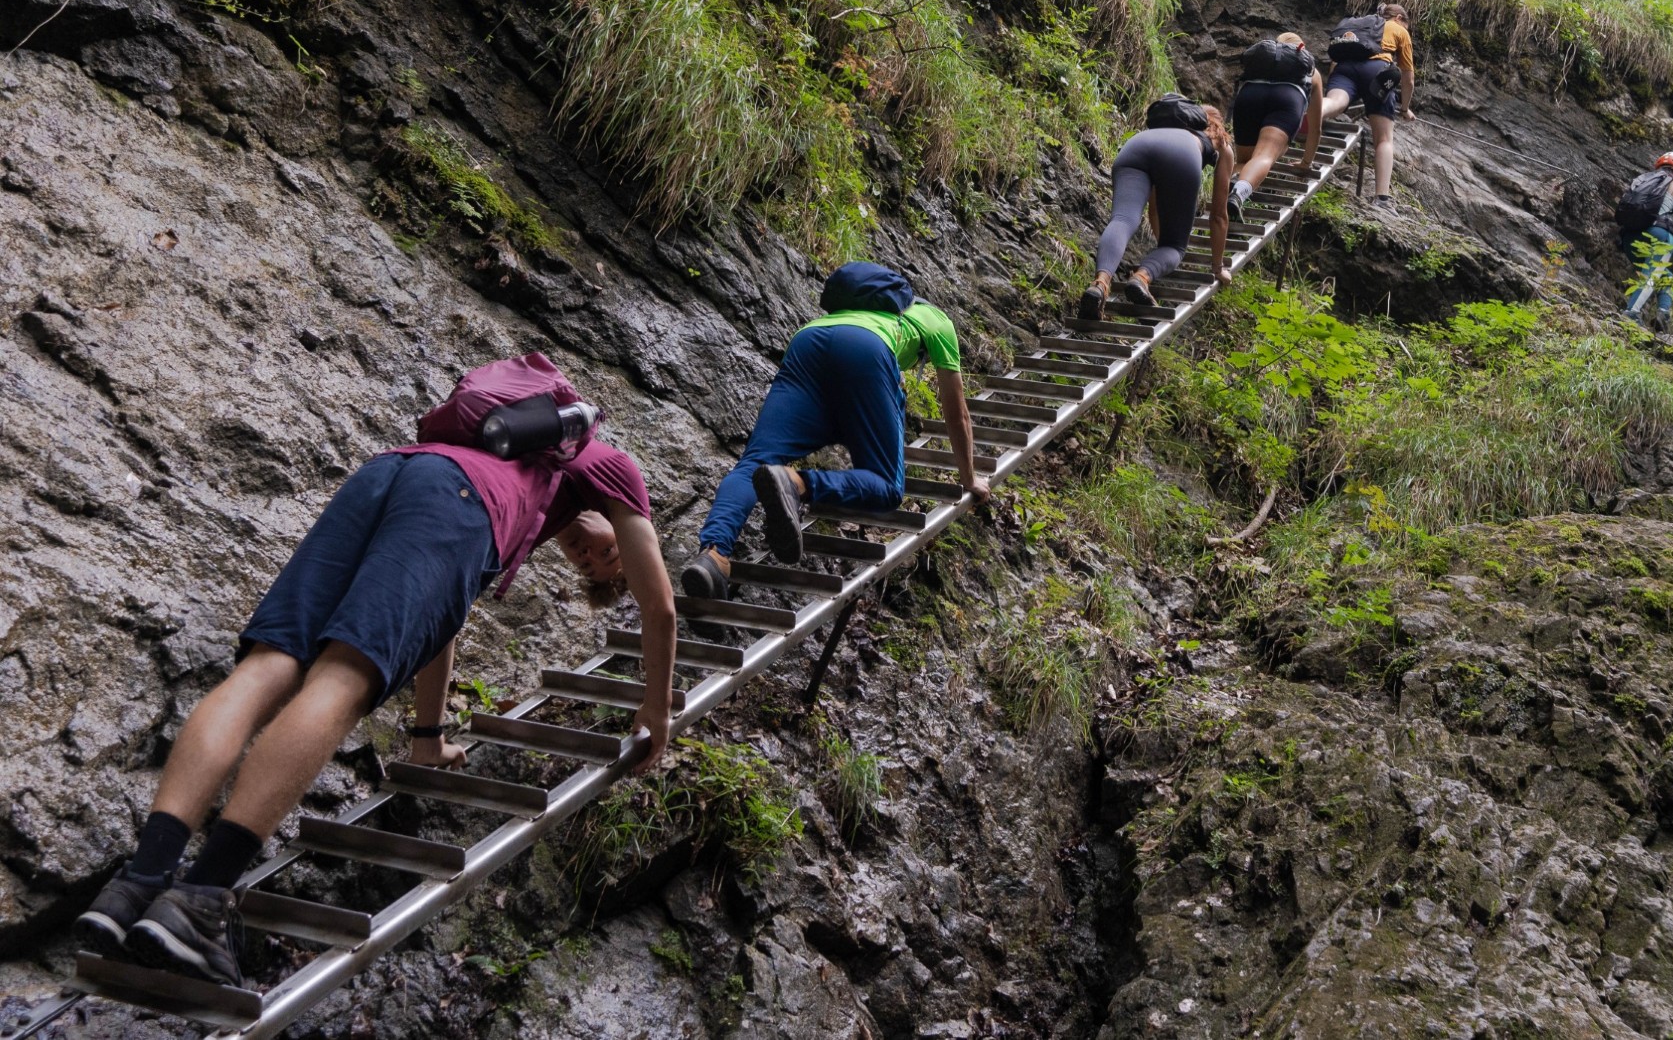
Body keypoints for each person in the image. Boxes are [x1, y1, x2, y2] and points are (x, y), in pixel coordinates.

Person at [74, 355, 677, 987]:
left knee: (269, 665)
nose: (593, 554)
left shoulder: (533, 474)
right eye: (609, 553)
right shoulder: (604, 464)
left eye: (595, 567)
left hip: (390, 472)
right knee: (342, 676)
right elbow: (659, 605)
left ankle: (138, 882)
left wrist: (426, 738)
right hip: (456, 503)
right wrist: (657, 709)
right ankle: (199, 899)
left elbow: (439, 625)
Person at [683, 263, 989, 599]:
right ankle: (796, 482)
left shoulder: (856, 311)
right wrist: (969, 478)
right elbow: (956, 412)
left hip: (807, 343)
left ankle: (713, 554)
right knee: (886, 486)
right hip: (866, 350)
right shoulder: (938, 322)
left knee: (755, 461)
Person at [1079, 94, 1235, 320]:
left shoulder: (1162, 128)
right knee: (1175, 247)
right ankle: (1141, 278)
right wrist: (1217, 266)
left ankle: (1100, 283)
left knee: (1122, 219)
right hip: (1182, 154)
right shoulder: (1220, 144)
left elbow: (1155, 205)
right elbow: (1219, 215)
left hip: (1136, 146)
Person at [1225, 33, 1324, 224]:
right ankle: (1237, 194)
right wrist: (1306, 162)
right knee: (1264, 156)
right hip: (1287, 98)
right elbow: (1315, 128)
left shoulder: (1262, 64)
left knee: (1245, 161)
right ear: (1300, 48)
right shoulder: (1312, 72)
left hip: (1249, 95)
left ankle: (1218, 195)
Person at [1321, 3, 1414, 204]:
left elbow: (1335, 62)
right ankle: (1382, 198)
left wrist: (1339, 83)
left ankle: (1310, 113)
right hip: (1377, 71)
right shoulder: (1398, 30)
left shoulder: (1357, 26)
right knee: (1384, 139)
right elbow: (1408, 78)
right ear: (1398, 18)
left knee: (1334, 102)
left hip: (1344, 69)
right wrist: (1405, 108)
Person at [1623, 152, 1673, 328]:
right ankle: (1632, 313)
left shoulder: (1643, 180)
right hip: (1660, 234)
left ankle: (1663, 314)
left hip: (1630, 235)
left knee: (1668, 279)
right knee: (1652, 274)